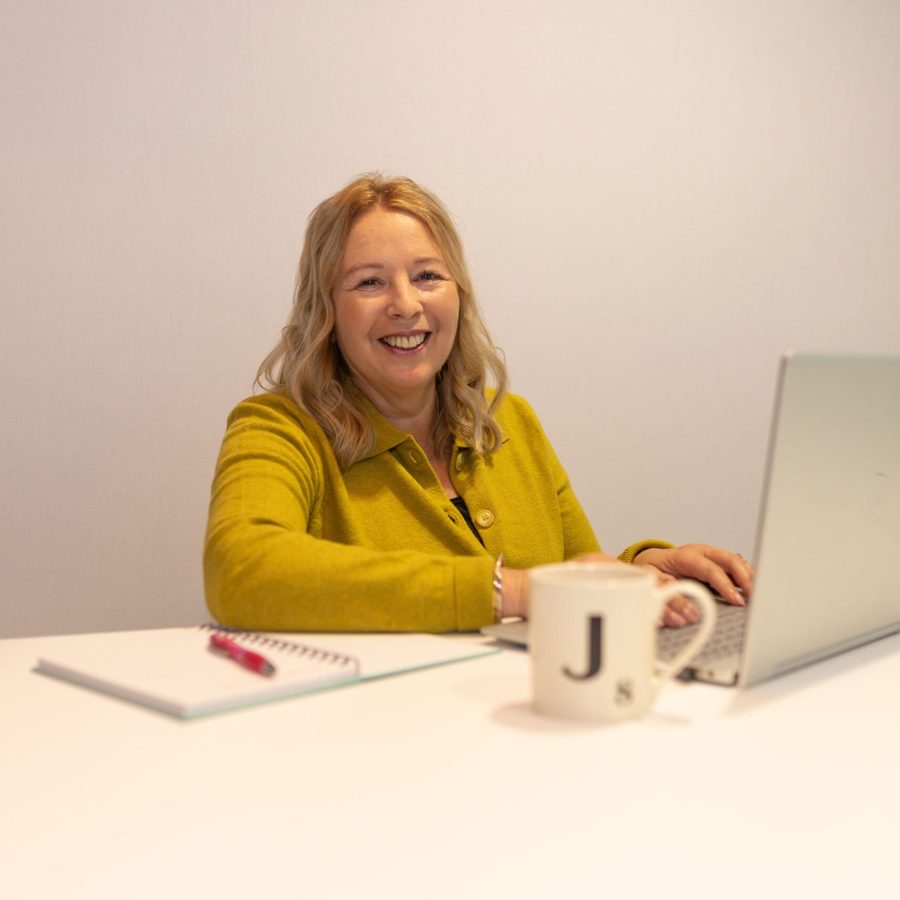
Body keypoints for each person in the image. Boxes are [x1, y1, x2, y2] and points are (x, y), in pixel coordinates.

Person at [204, 174, 752, 632]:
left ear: (458, 292)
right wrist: (504, 590)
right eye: (369, 282)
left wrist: (644, 569)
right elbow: (240, 570)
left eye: (427, 276)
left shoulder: (510, 419)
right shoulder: (276, 428)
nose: (405, 304)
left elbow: (572, 576)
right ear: (325, 312)